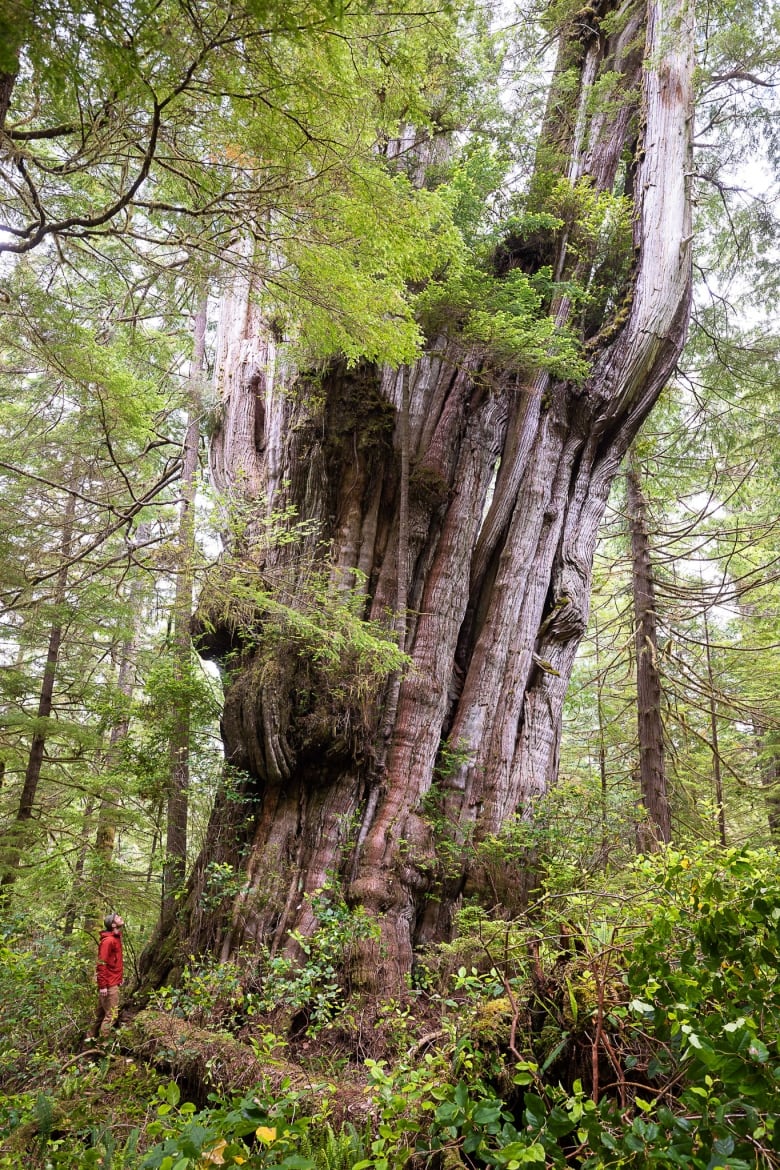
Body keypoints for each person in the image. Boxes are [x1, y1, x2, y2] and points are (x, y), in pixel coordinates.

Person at [91, 912, 124, 1039]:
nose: (121, 917)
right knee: (111, 1015)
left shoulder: (115, 938)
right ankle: (102, 1046)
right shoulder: (108, 941)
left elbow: (114, 962)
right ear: (113, 924)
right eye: (118, 917)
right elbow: (101, 964)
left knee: (99, 1016)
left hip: (113, 981)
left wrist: (119, 978)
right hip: (109, 984)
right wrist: (103, 985)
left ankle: (89, 1044)